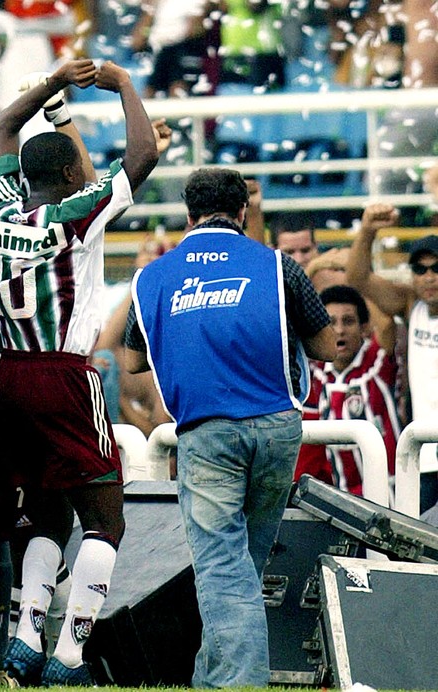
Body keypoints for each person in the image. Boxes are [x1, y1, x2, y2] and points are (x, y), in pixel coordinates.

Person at [0, 58, 158, 686]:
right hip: (62, 374)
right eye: (77, 166)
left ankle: (28, 638)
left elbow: (3, 127)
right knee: (106, 517)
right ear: (63, 173)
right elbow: (142, 156)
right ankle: (71, 654)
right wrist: (124, 86)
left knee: (44, 514)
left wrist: (52, 83)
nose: (86, 169)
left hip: (7, 374)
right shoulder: (75, 214)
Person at [124, 167, 335, 687]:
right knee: (242, 568)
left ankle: (239, 683)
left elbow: (130, 360)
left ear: (188, 215)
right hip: (278, 427)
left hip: (207, 431)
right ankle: (210, 678)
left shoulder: (153, 276)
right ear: (243, 212)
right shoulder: (278, 265)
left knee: (223, 570)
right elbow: (328, 347)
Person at [346, 204, 438, 509]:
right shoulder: (413, 306)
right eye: (420, 269)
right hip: (423, 450)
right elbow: (358, 279)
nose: (429, 277)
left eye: (437, 268)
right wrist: (368, 230)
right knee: (419, 546)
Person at [303, 285, 400, 496]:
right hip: (342, 497)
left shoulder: (378, 361)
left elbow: (386, 325)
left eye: (348, 321)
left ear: (364, 327)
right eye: (330, 322)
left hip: (391, 493)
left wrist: (354, 280)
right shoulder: (315, 371)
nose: (339, 330)